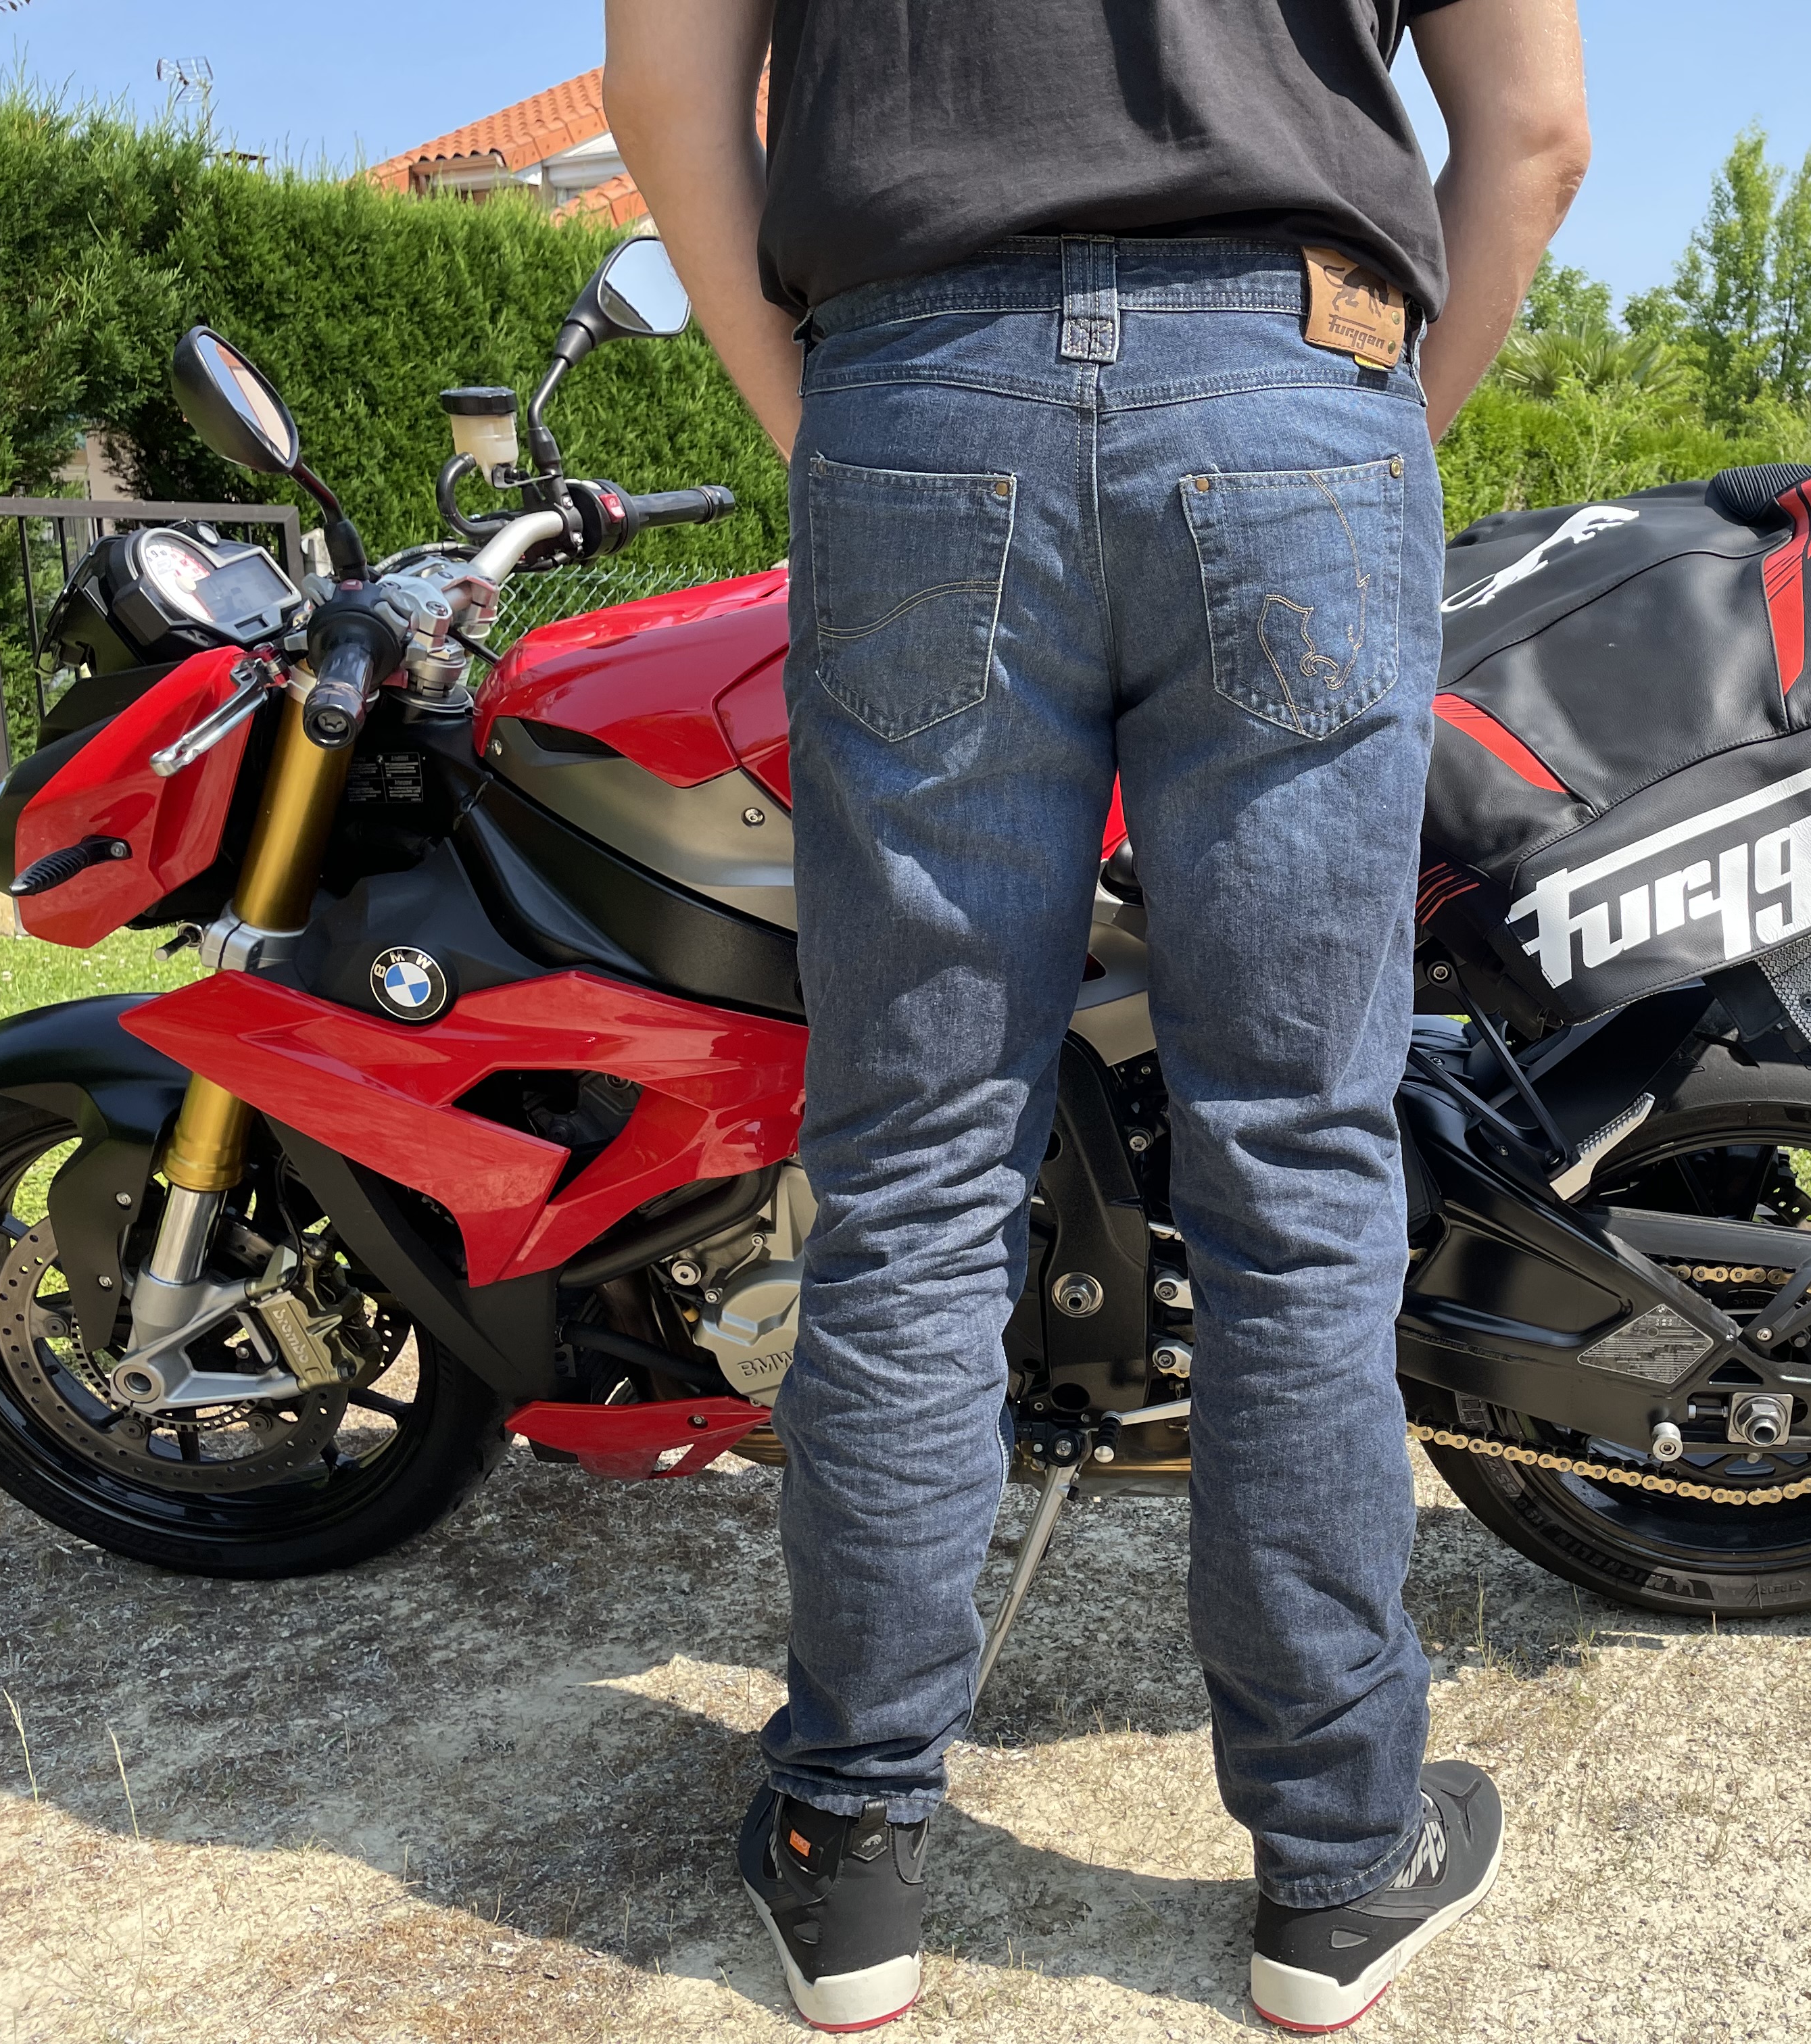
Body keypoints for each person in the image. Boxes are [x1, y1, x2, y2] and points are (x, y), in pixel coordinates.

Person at [603, 0, 1589, 2028]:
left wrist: (831, 418)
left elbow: (664, 94)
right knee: (1296, 1170)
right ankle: (1337, 1863)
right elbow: (1538, 132)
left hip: (913, 384)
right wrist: (1367, 437)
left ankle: (850, 1848)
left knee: (912, 1175)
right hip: (1297, 387)